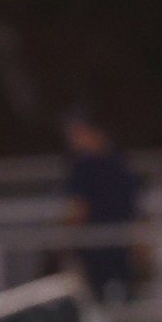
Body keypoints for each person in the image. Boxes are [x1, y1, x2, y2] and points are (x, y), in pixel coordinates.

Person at [59, 111, 140, 300]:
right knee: (122, 296)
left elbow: (78, 209)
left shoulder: (85, 166)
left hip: (96, 244)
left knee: (96, 297)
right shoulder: (122, 164)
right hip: (120, 243)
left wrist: (63, 241)